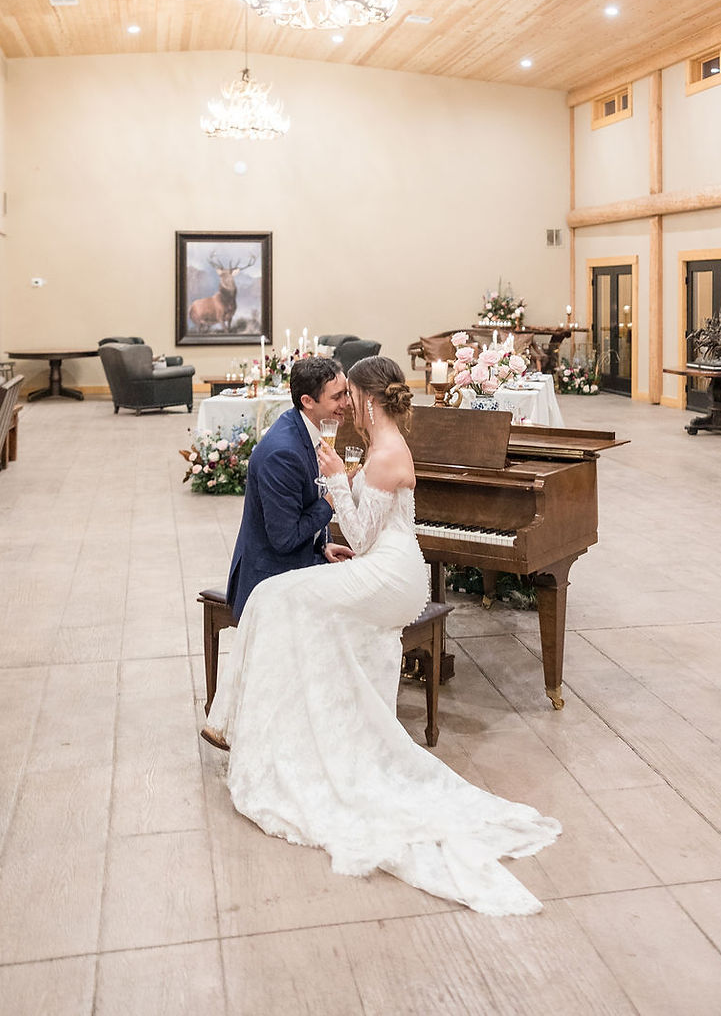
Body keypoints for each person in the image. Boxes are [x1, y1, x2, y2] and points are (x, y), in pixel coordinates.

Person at [204, 355, 560, 916]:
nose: (347, 407)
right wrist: (339, 495)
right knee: (283, 602)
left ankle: (287, 729)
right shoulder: (383, 445)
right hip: (391, 567)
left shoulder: (385, 453)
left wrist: (337, 483)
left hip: (390, 571)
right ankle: (301, 715)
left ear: (366, 401)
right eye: (336, 396)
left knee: (279, 601)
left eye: (351, 397)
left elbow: (367, 537)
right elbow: (362, 532)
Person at [223, 356, 353, 623]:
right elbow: (284, 539)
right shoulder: (283, 453)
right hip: (270, 579)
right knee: (356, 614)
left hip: (300, 561)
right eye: (338, 396)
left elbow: (305, 500)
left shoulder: (312, 428)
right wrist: (331, 501)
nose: (347, 403)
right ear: (308, 401)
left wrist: (323, 543)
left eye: (347, 393)